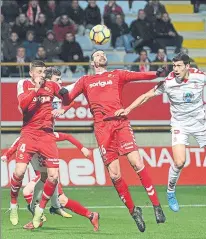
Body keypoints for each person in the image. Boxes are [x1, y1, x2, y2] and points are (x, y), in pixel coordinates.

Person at [114, 53, 206, 213]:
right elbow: (146, 96)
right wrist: (129, 109)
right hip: (180, 125)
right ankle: (170, 192)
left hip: (199, 124)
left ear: (187, 66)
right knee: (179, 162)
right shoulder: (168, 82)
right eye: (174, 66)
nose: (175, 69)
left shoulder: (199, 76)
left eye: (179, 66)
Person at [59, 50, 167, 232]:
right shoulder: (85, 81)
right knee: (115, 174)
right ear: (93, 62)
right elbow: (69, 98)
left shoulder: (116, 74)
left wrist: (156, 73)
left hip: (120, 123)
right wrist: (61, 93)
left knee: (137, 162)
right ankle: (134, 211)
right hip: (102, 130)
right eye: (98, 55)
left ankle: (156, 206)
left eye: (103, 54)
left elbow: (138, 76)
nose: (102, 56)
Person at [8, 60, 69, 228]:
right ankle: (13, 204)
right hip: (29, 134)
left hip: (47, 136)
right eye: (39, 72)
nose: (42, 74)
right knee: (19, 172)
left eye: (44, 72)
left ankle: (40, 211)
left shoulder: (51, 85)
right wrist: (36, 89)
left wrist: (64, 107)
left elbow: (67, 96)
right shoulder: (24, 84)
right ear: (32, 73)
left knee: (52, 176)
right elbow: (23, 105)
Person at [1, 131, 99, 231]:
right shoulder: (25, 139)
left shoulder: (47, 135)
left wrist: (82, 148)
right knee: (63, 200)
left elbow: (67, 136)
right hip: (43, 177)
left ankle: (39, 218)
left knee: (27, 191)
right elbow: (13, 147)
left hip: (49, 176)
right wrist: (6, 156)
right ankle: (91, 215)